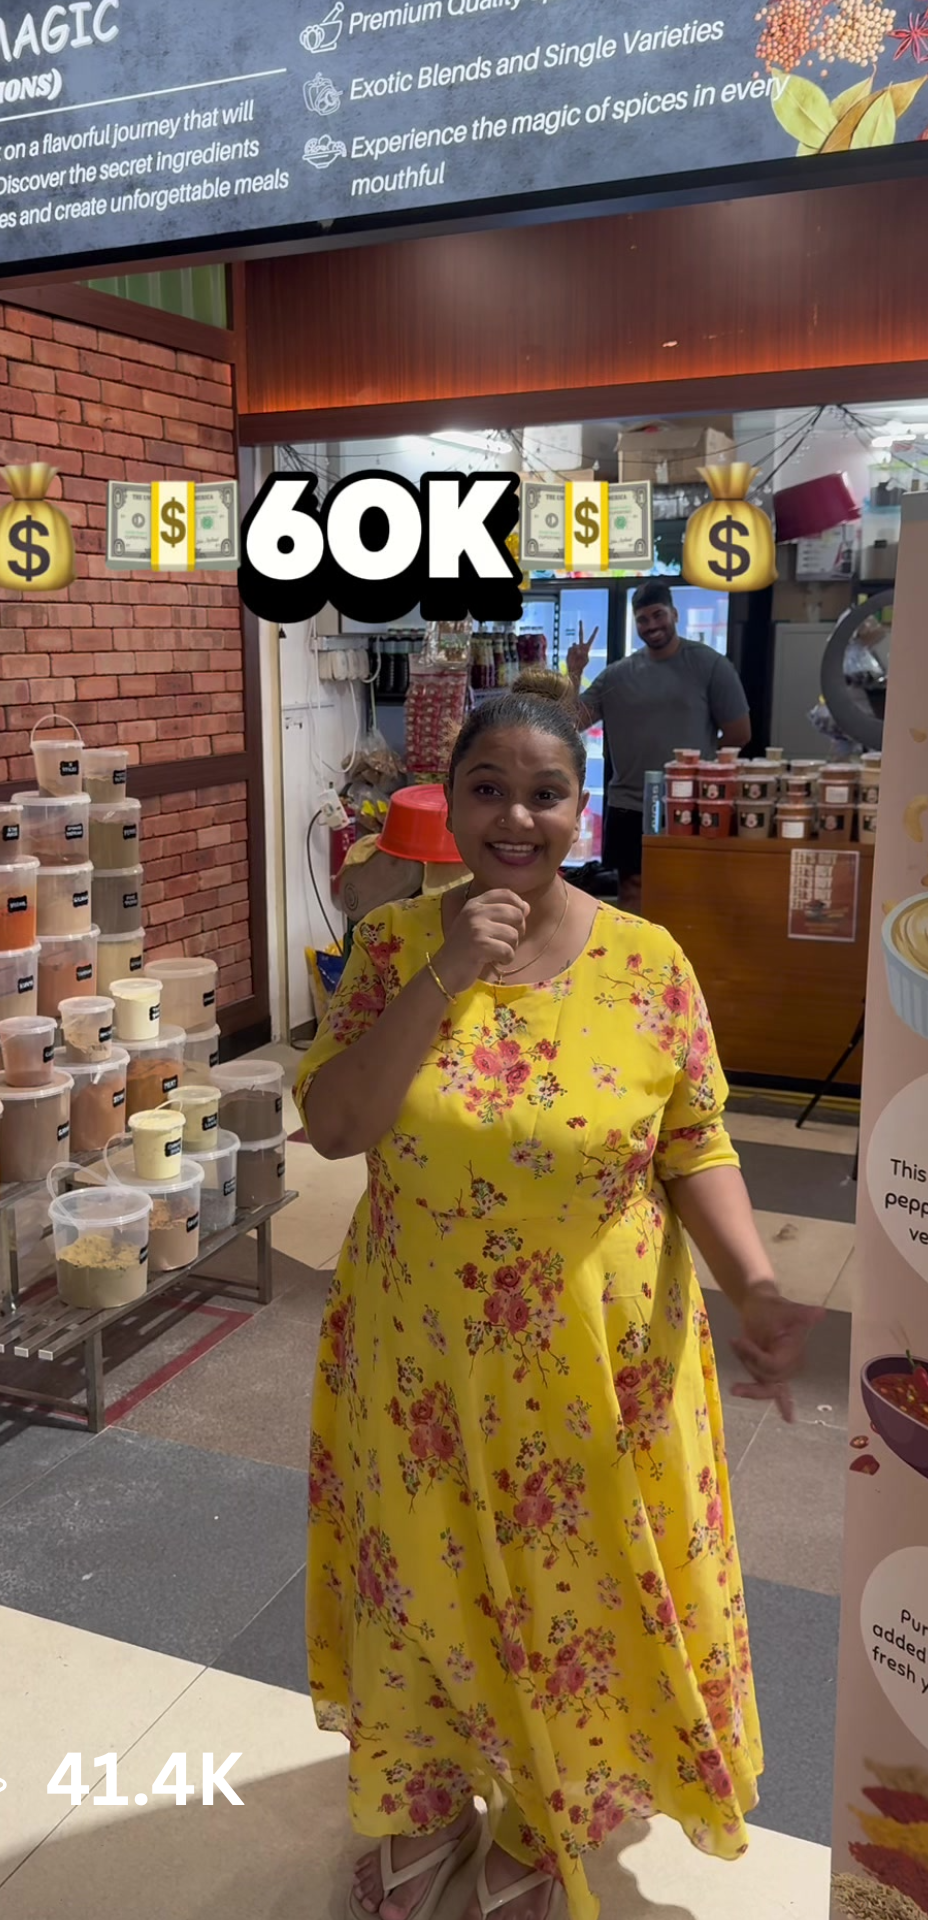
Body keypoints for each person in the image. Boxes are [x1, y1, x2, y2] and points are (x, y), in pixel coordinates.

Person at [295, 671, 820, 1920]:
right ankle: (427, 1797)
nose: (516, 818)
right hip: (419, 1358)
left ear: (582, 809)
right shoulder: (392, 944)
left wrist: (753, 1281)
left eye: (545, 794)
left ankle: (547, 1819)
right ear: (450, 803)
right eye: (488, 790)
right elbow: (336, 1126)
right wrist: (444, 973)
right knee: (419, 1581)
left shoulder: (649, 962)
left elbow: (694, 1141)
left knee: (572, 1594)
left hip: (600, 1359)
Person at [568, 583, 751, 915]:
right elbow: (571, 722)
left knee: (689, 889)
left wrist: (697, 772)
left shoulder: (710, 665)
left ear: (674, 614)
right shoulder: (616, 676)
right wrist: (575, 672)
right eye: (643, 619)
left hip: (690, 803)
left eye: (658, 615)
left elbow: (740, 733)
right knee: (631, 888)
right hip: (629, 803)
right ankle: (632, 949)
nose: (651, 625)